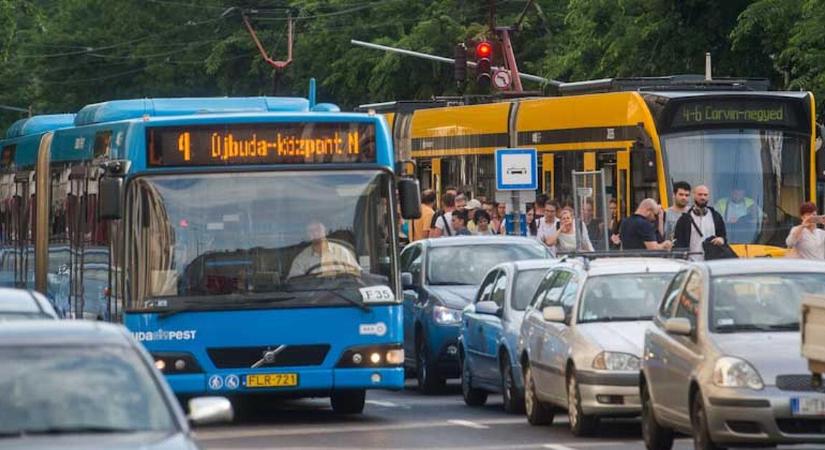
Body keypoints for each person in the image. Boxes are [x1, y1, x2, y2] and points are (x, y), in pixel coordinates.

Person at [288, 220, 360, 278]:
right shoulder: (301, 259)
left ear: (325, 231)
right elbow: (295, 283)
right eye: (311, 231)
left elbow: (357, 274)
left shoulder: (341, 252)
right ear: (308, 234)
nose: (315, 233)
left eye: (318, 230)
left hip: (341, 291)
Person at [674, 185, 727, 261]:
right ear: (694, 196)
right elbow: (678, 244)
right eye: (700, 194)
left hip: (712, 262)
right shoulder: (684, 219)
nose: (703, 197)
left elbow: (723, 236)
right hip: (691, 262)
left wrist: (721, 239)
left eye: (705, 195)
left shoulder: (716, 216)